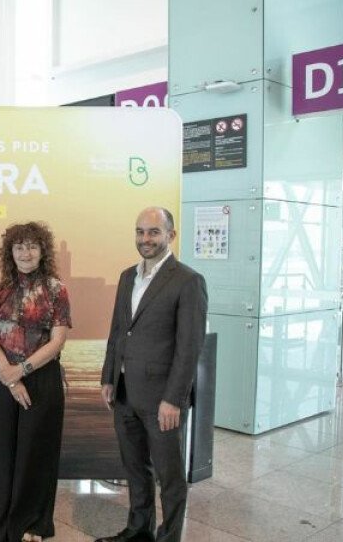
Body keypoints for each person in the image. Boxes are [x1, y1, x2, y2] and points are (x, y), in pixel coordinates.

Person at [96, 207, 207, 542]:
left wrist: (174, 399)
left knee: (169, 477)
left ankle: (169, 537)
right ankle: (139, 530)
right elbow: (118, 331)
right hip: (125, 393)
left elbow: (189, 347)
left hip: (162, 400)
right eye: (140, 231)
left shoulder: (188, 281)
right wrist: (108, 377)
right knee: (135, 468)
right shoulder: (127, 276)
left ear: (170, 235)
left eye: (154, 232)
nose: (145, 239)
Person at [0, 222, 71, 542]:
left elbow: (57, 341)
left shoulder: (56, 290)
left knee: (37, 453)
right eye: (19, 247)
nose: (25, 253)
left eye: (32, 246)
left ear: (43, 250)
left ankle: (33, 523)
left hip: (41, 378)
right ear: (10, 252)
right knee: (0, 452)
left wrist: (21, 371)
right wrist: (8, 375)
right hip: (1, 378)